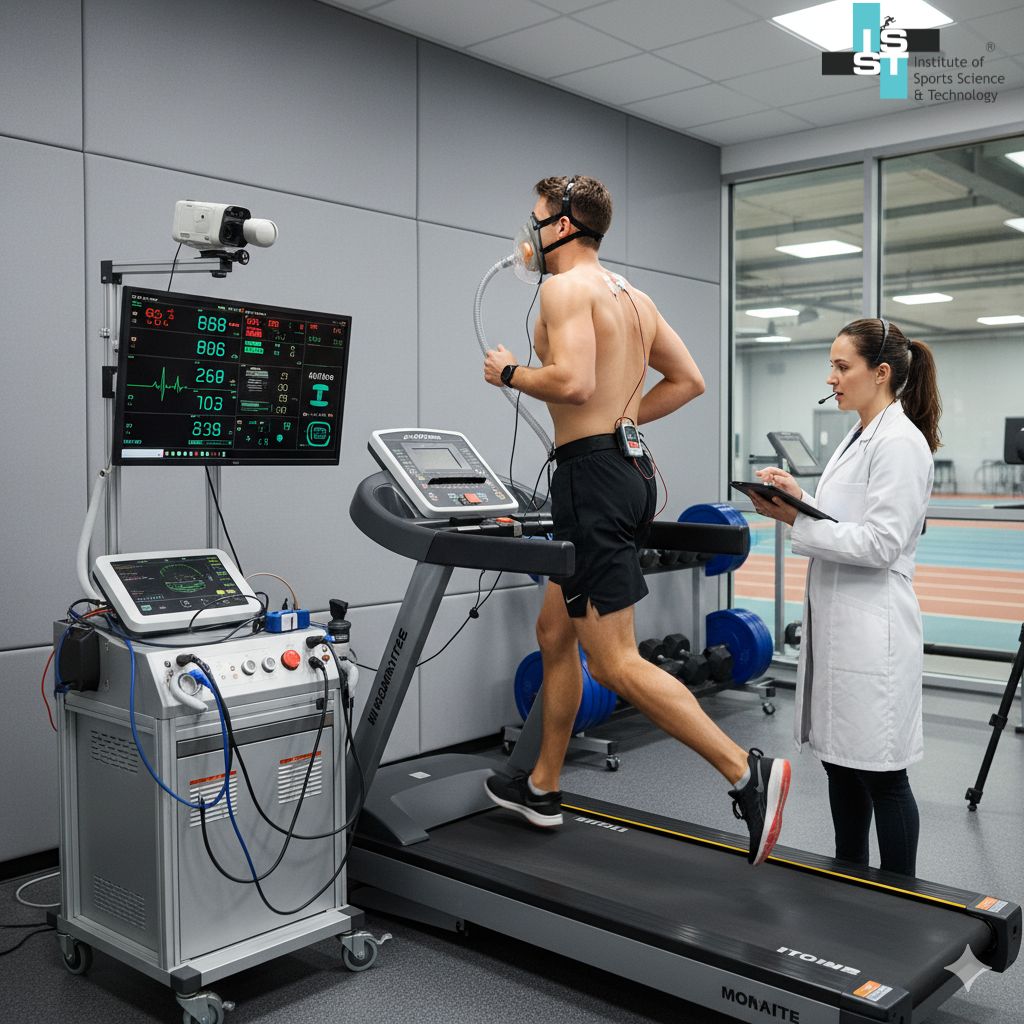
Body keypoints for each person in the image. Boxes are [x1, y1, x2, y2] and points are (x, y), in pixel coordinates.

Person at [481, 175, 790, 866]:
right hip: (626, 469)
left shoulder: (564, 289)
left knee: (615, 661)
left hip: (592, 478)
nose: (526, 229)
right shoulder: (633, 296)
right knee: (554, 629)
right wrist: (622, 425)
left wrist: (509, 374)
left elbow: (573, 383)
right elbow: (688, 381)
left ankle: (746, 772)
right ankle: (543, 784)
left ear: (562, 225)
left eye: (533, 217)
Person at [748, 317, 941, 877]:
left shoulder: (901, 443)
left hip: (873, 627)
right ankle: (849, 876)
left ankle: (901, 896)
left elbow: (882, 542)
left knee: (882, 773)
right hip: (839, 623)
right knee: (841, 763)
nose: (831, 377)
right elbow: (847, 517)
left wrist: (796, 524)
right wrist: (797, 496)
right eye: (830, 365)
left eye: (841, 366)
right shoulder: (859, 434)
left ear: (880, 374)